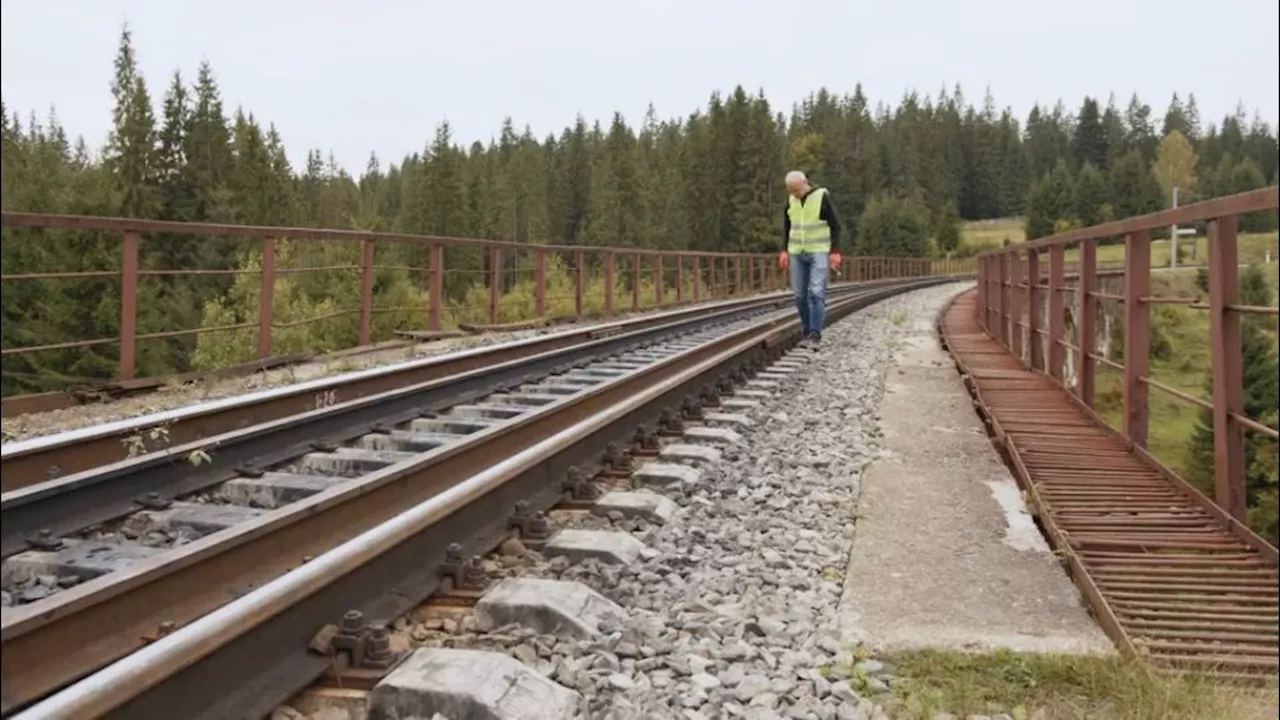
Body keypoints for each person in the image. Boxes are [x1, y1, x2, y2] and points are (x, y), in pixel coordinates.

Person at [778, 170, 843, 348]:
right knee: (799, 296)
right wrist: (783, 250)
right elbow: (787, 226)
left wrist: (835, 251)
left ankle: (815, 334)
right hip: (796, 252)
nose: (794, 194)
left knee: (816, 292)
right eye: (791, 191)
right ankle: (806, 331)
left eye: (797, 190)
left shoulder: (822, 196)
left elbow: (836, 225)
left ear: (805, 183)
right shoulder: (792, 200)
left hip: (818, 251)